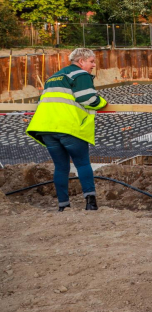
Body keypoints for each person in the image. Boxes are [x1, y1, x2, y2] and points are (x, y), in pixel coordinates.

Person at [26, 48, 108, 211]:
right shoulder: (80, 74)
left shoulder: (54, 77)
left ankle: (63, 206)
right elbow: (88, 99)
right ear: (81, 61)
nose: (93, 65)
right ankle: (90, 203)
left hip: (47, 128)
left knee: (61, 167)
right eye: (91, 61)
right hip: (68, 127)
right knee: (83, 164)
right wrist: (104, 103)